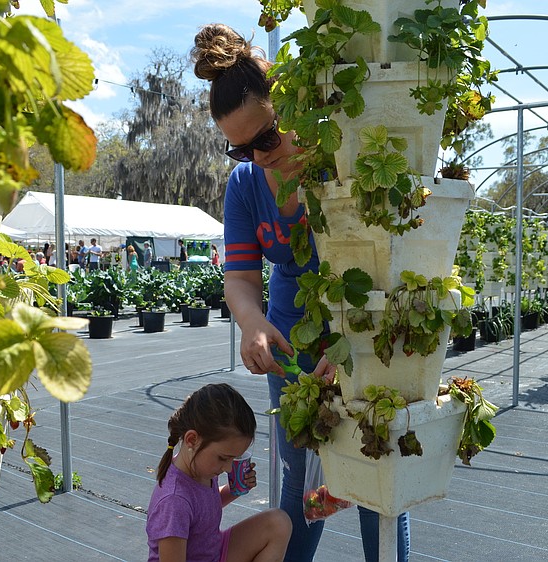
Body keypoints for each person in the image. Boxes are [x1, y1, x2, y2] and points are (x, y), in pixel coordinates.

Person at [191, 23, 410, 562]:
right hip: (294, 342)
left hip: (363, 329)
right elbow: (241, 279)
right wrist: (253, 324)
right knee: (300, 480)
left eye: (265, 138)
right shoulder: (244, 187)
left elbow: (385, 263)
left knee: (376, 482)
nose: (257, 156)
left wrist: (351, 353)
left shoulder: (341, 166)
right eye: (239, 149)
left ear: (290, 108)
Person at [146, 383, 291, 562]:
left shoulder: (198, 466)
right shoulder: (173, 502)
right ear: (192, 439)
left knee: (279, 522)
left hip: (213, 551)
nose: (228, 468)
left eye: (233, 459)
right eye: (223, 458)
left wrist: (234, 489)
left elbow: (203, 508)